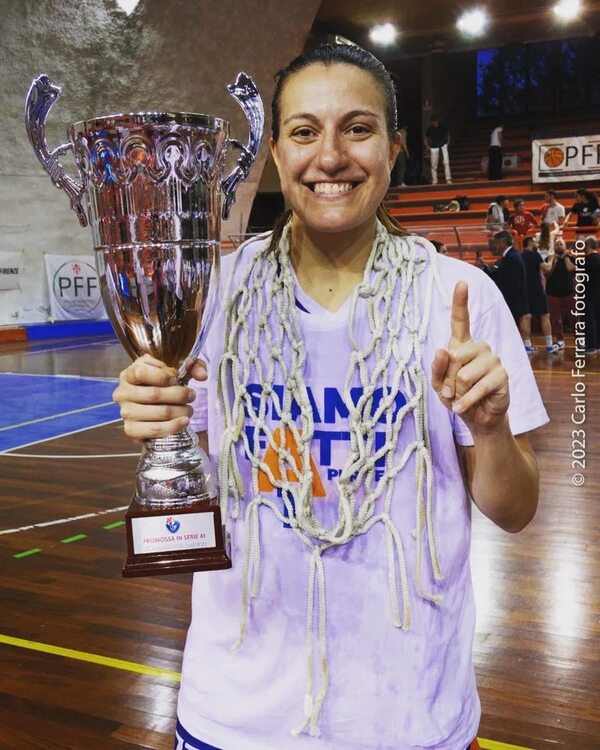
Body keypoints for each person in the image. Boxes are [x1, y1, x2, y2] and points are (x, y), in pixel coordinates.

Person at [113, 44, 547, 750]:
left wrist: (490, 429)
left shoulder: (459, 296)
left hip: (409, 714)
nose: (331, 156)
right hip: (238, 714)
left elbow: (517, 510)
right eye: (306, 131)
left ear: (395, 148)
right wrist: (154, 419)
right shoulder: (212, 293)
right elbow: (195, 476)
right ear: (277, 156)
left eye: (358, 127)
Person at [519, 236, 559, 354]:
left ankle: (527, 346)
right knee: (545, 316)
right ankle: (550, 345)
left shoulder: (520, 256)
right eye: (535, 241)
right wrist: (551, 259)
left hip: (524, 290)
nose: (537, 243)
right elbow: (546, 268)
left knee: (526, 317)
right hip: (536, 289)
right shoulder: (534, 255)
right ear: (530, 243)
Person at [482, 229, 529, 327]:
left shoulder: (512, 258)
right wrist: (486, 267)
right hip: (511, 302)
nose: (495, 246)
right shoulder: (510, 256)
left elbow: (511, 285)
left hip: (511, 303)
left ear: (502, 243)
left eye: (496, 243)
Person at [544, 237, 575, 349]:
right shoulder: (549, 258)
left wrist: (566, 257)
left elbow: (573, 270)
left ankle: (579, 339)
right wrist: (553, 262)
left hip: (569, 293)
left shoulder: (571, 258)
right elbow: (546, 275)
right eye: (557, 244)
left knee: (574, 318)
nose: (559, 246)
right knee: (556, 320)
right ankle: (560, 340)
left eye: (561, 244)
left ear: (565, 246)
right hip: (553, 293)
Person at [583, 236, 600, 354]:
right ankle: (598, 345)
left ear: (587, 246)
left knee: (589, 321)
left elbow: (573, 269)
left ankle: (591, 346)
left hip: (589, 294)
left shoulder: (588, 260)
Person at [424, 114, 452, 185]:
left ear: (437, 121)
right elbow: (425, 139)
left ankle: (448, 179)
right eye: (432, 122)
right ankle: (434, 180)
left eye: (434, 121)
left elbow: (448, 135)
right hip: (434, 147)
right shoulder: (430, 129)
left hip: (443, 146)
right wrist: (427, 147)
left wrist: (447, 143)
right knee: (434, 165)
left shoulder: (442, 127)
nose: (433, 123)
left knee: (446, 162)